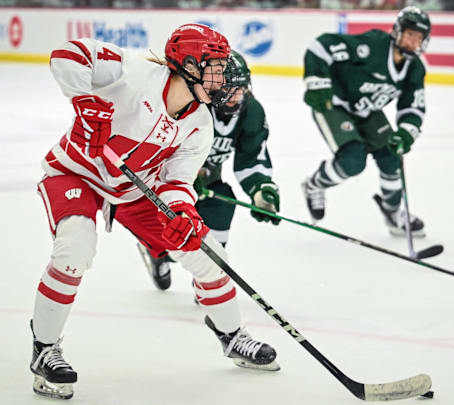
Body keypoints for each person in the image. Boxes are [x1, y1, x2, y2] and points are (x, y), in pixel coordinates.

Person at [30, 24, 279, 401]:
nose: (221, 78)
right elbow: (68, 54)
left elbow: (178, 180)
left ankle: (232, 336)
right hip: (75, 171)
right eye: (214, 67)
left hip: (133, 189)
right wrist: (83, 99)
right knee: (74, 250)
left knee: (207, 252)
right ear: (189, 65)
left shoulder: (199, 124)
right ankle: (44, 349)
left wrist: (184, 213)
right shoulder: (132, 71)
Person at [137, 50, 280, 291]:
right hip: (167, 187)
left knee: (223, 204)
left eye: (242, 89)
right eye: (231, 90)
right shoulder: (191, 105)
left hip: (208, 185)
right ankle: (160, 254)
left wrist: (260, 190)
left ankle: (209, 280)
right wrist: (185, 178)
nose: (238, 97)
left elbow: (251, 157)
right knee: (176, 241)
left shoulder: (251, 111)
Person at [301, 6, 430, 237]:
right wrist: (316, 81)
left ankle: (393, 213)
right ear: (398, 32)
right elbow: (321, 45)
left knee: (392, 156)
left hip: (367, 111)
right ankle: (315, 185)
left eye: (419, 37)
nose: (413, 41)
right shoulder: (373, 46)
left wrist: (406, 133)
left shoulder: (414, 69)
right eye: (410, 34)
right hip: (333, 104)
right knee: (353, 161)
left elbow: (413, 106)